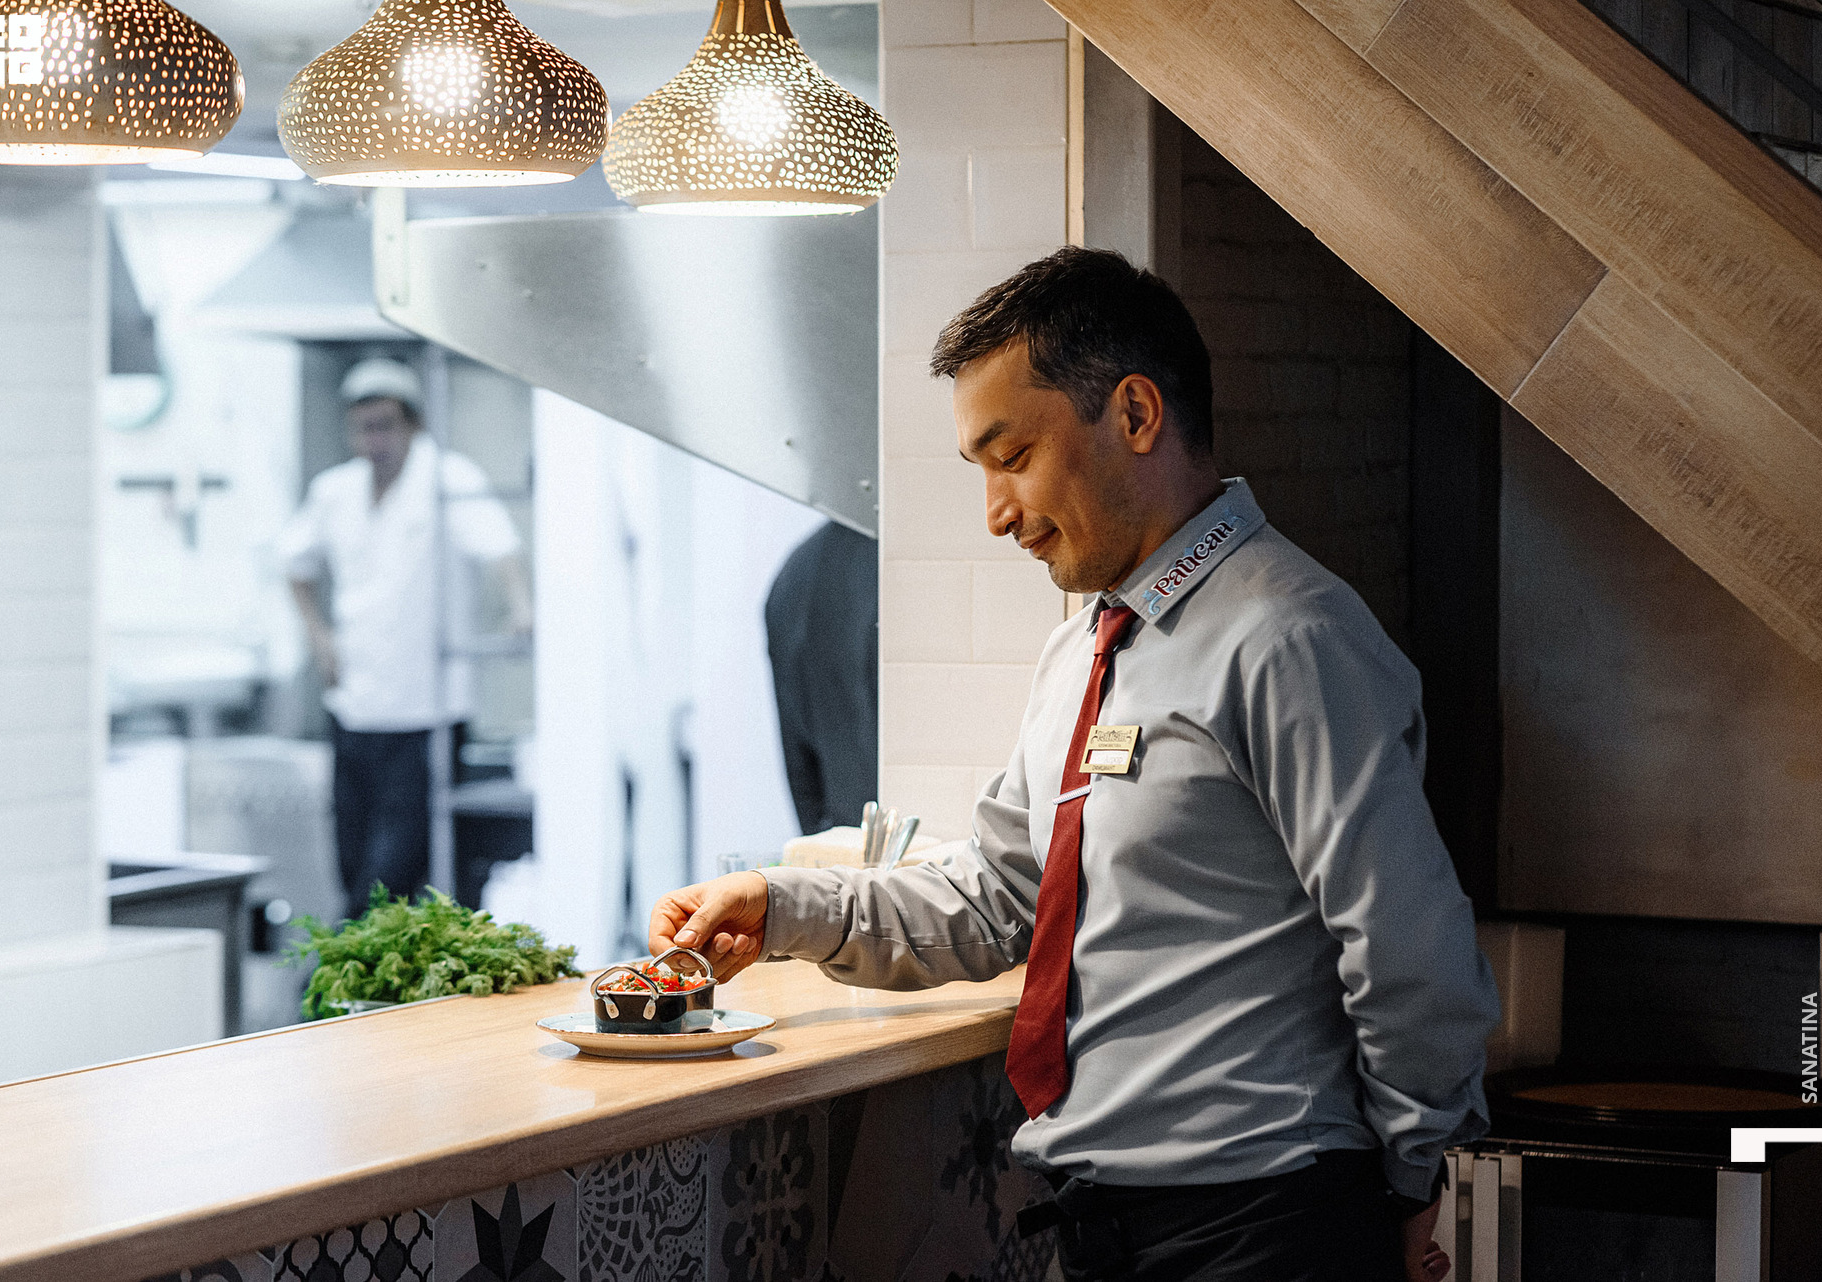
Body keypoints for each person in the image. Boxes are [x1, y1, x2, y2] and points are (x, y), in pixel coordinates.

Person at [649, 249, 1500, 1282]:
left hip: (1267, 1223)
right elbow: (1001, 894)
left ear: (1135, 414)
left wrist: (1413, 1180)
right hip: (1106, 1226)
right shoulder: (1082, 651)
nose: (997, 511)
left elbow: (1408, 944)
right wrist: (783, 907)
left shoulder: (1288, 637)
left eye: (1012, 456)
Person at [280, 358, 531, 911]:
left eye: (385, 426)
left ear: (412, 424)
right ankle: (356, 956)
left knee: (392, 871)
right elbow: (295, 564)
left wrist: (521, 605)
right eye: (363, 428)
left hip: (427, 714)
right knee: (352, 861)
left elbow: (500, 547)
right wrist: (319, 637)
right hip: (355, 707)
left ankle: (351, 957)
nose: (374, 441)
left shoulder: (448, 478)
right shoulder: (335, 490)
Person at [764, 520, 878, 833]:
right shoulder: (899, 562)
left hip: (837, 840)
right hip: (918, 838)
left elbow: (799, 769)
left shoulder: (794, 571)